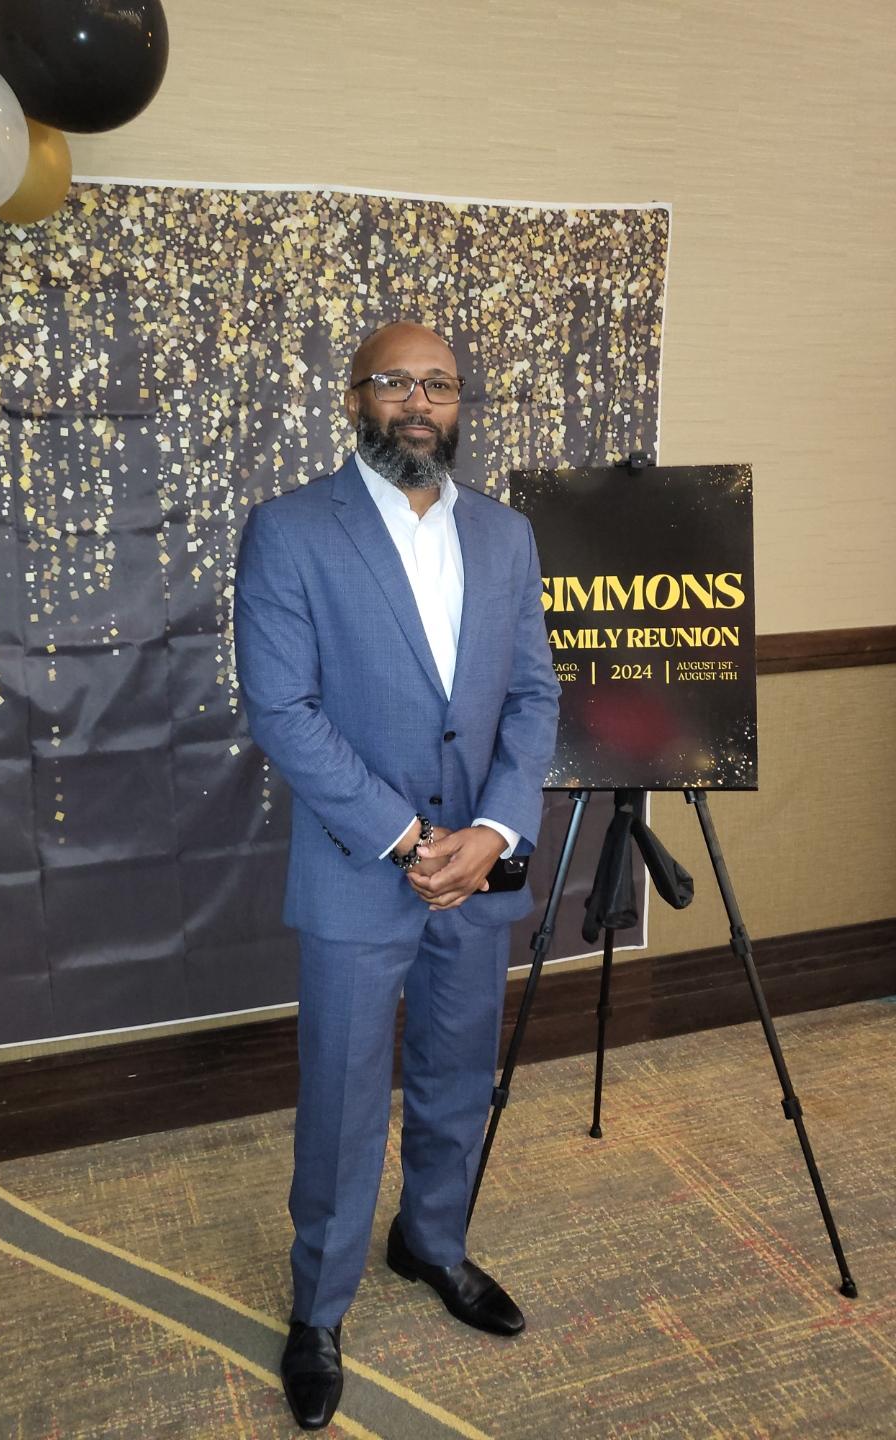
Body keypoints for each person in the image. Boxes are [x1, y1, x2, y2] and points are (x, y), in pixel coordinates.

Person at [234, 321, 559, 1431]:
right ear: (355, 398)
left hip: (479, 868)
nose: (419, 403)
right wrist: (408, 839)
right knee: (341, 1097)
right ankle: (318, 1310)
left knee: (458, 1072)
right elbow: (283, 708)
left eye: (441, 385)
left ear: (459, 403)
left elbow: (533, 697)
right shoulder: (290, 530)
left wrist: (494, 830)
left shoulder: (507, 535)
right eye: (395, 383)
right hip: (360, 867)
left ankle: (433, 1243)